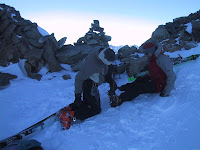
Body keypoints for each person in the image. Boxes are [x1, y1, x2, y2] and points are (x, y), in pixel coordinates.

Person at [59, 47, 117, 129]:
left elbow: (106, 67)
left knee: (89, 102)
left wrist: (109, 78)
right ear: (102, 59)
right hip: (89, 85)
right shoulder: (91, 65)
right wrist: (78, 96)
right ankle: (69, 116)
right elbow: (78, 78)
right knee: (95, 109)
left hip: (92, 83)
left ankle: (69, 108)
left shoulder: (102, 51)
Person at [112, 42, 176, 107]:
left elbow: (172, 76)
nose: (145, 55)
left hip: (160, 85)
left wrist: (166, 92)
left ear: (151, 51)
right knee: (138, 80)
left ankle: (120, 99)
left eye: (146, 53)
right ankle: (121, 88)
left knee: (140, 87)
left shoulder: (163, 59)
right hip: (153, 79)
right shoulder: (152, 58)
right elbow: (155, 71)